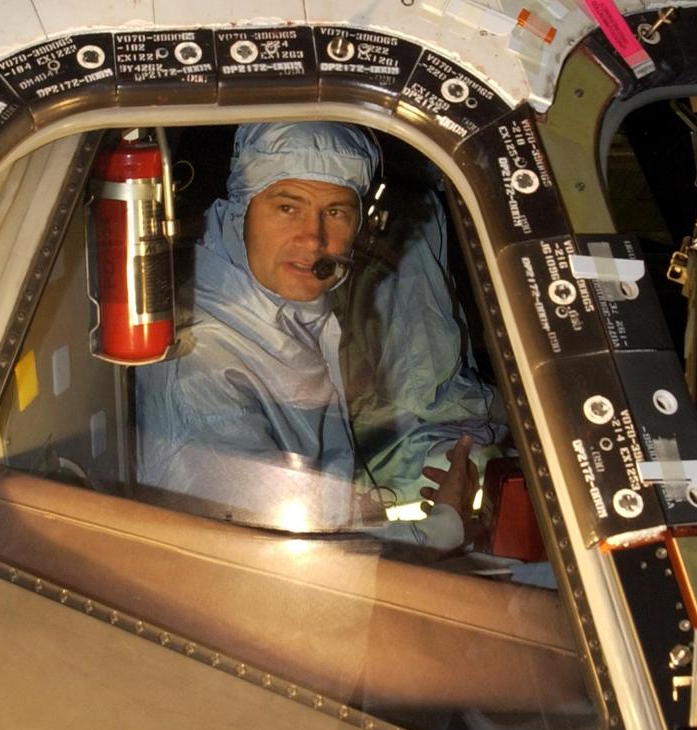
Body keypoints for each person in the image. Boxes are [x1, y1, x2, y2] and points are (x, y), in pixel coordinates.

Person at [136, 121, 490, 551]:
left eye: (336, 212)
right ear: (242, 209)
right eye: (288, 207)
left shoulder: (283, 309)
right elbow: (283, 549)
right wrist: (443, 530)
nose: (314, 238)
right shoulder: (201, 362)